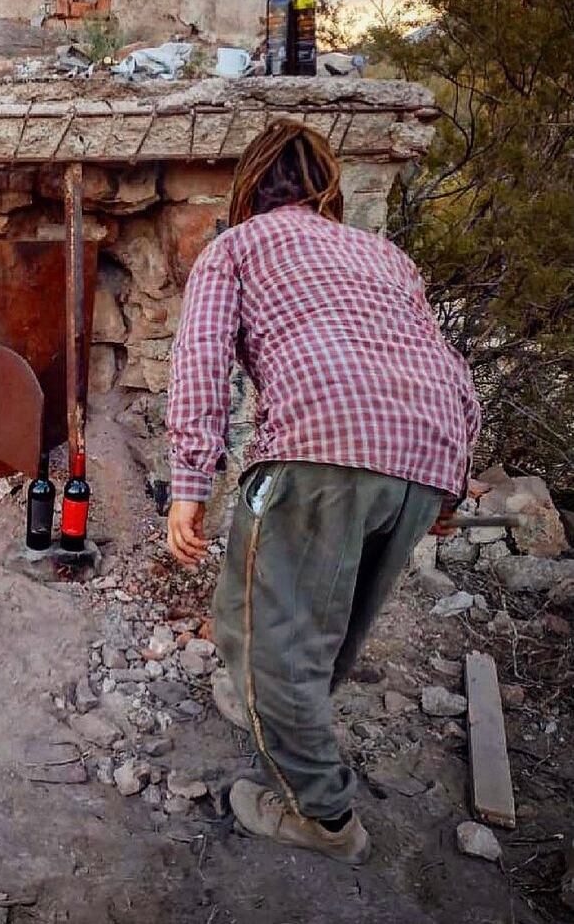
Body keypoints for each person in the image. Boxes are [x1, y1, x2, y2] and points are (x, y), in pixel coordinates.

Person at [166, 120, 480, 865]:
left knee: (269, 639)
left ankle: (322, 818)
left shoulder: (234, 247)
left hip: (320, 449)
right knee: (324, 623)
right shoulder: (385, 255)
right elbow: (446, 364)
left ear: (247, 188)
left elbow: (201, 361)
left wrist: (188, 486)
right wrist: (449, 485)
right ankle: (276, 711)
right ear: (327, 189)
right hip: (424, 451)